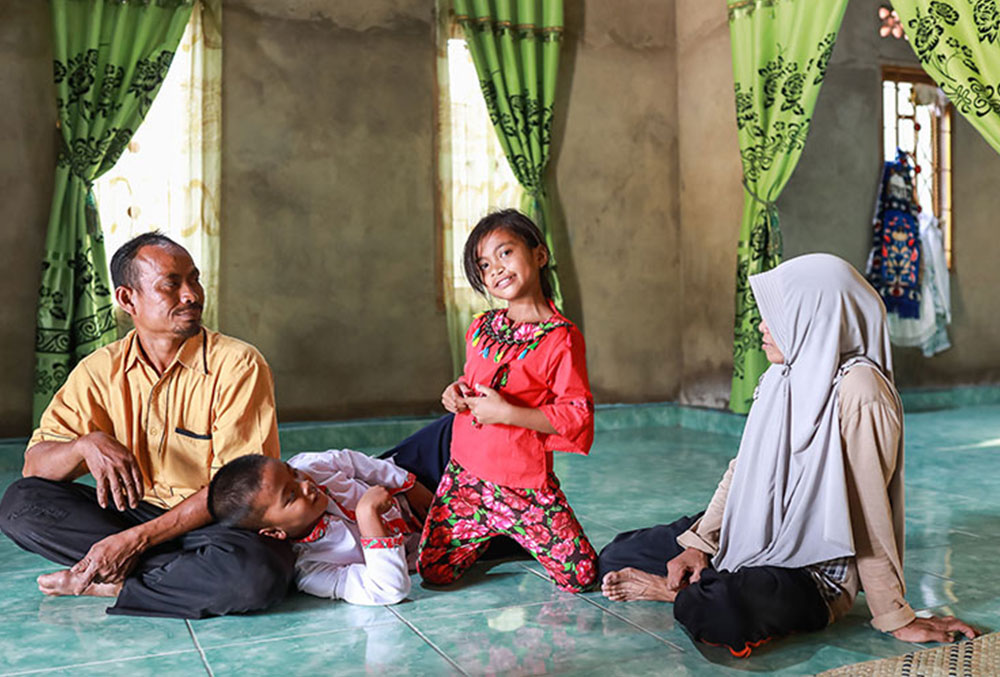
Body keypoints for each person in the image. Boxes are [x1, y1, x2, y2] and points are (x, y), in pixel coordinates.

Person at [598, 254, 978, 656]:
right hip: (754, 530)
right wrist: (699, 546)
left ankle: (671, 592)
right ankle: (705, 576)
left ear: (816, 317)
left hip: (811, 572)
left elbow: (869, 510)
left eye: (776, 316)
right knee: (617, 555)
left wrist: (895, 616)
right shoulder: (780, 374)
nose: (762, 326)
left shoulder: (861, 390)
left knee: (720, 609)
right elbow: (741, 471)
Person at [0, 232, 295, 618]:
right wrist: (84, 445)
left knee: (255, 574)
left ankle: (119, 583)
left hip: (213, 521)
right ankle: (182, 577)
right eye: (171, 285)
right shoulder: (99, 370)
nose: (191, 295)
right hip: (135, 515)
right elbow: (35, 466)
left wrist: (135, 541)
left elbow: (239, 494)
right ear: (127, 299)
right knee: (20, 506)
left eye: (194, 279)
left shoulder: (238, 365)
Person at [416, 209, 598, 592]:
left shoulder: (561, 338)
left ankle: (514, 530)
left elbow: (574, 415)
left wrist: (508, 413)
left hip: (524, 485)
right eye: (484, 264)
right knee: (433, 571)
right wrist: (456, 393)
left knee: (580, 576)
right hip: (464, 478)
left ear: (539, 254)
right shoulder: (481, 328)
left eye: (505, 253)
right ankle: (494, 533)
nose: (496, 268)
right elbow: (472, 381)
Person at [208, 449, 434, 605]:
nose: (305, 485)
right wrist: (367, 515)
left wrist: (409, 483)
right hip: (429, 540)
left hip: (413, 487)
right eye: (291, 496)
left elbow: (353, 461)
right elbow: (389, 590)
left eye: (293, 473)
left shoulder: (310, 466)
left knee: (453, 429)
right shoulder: (314, 570)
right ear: (275, 532)